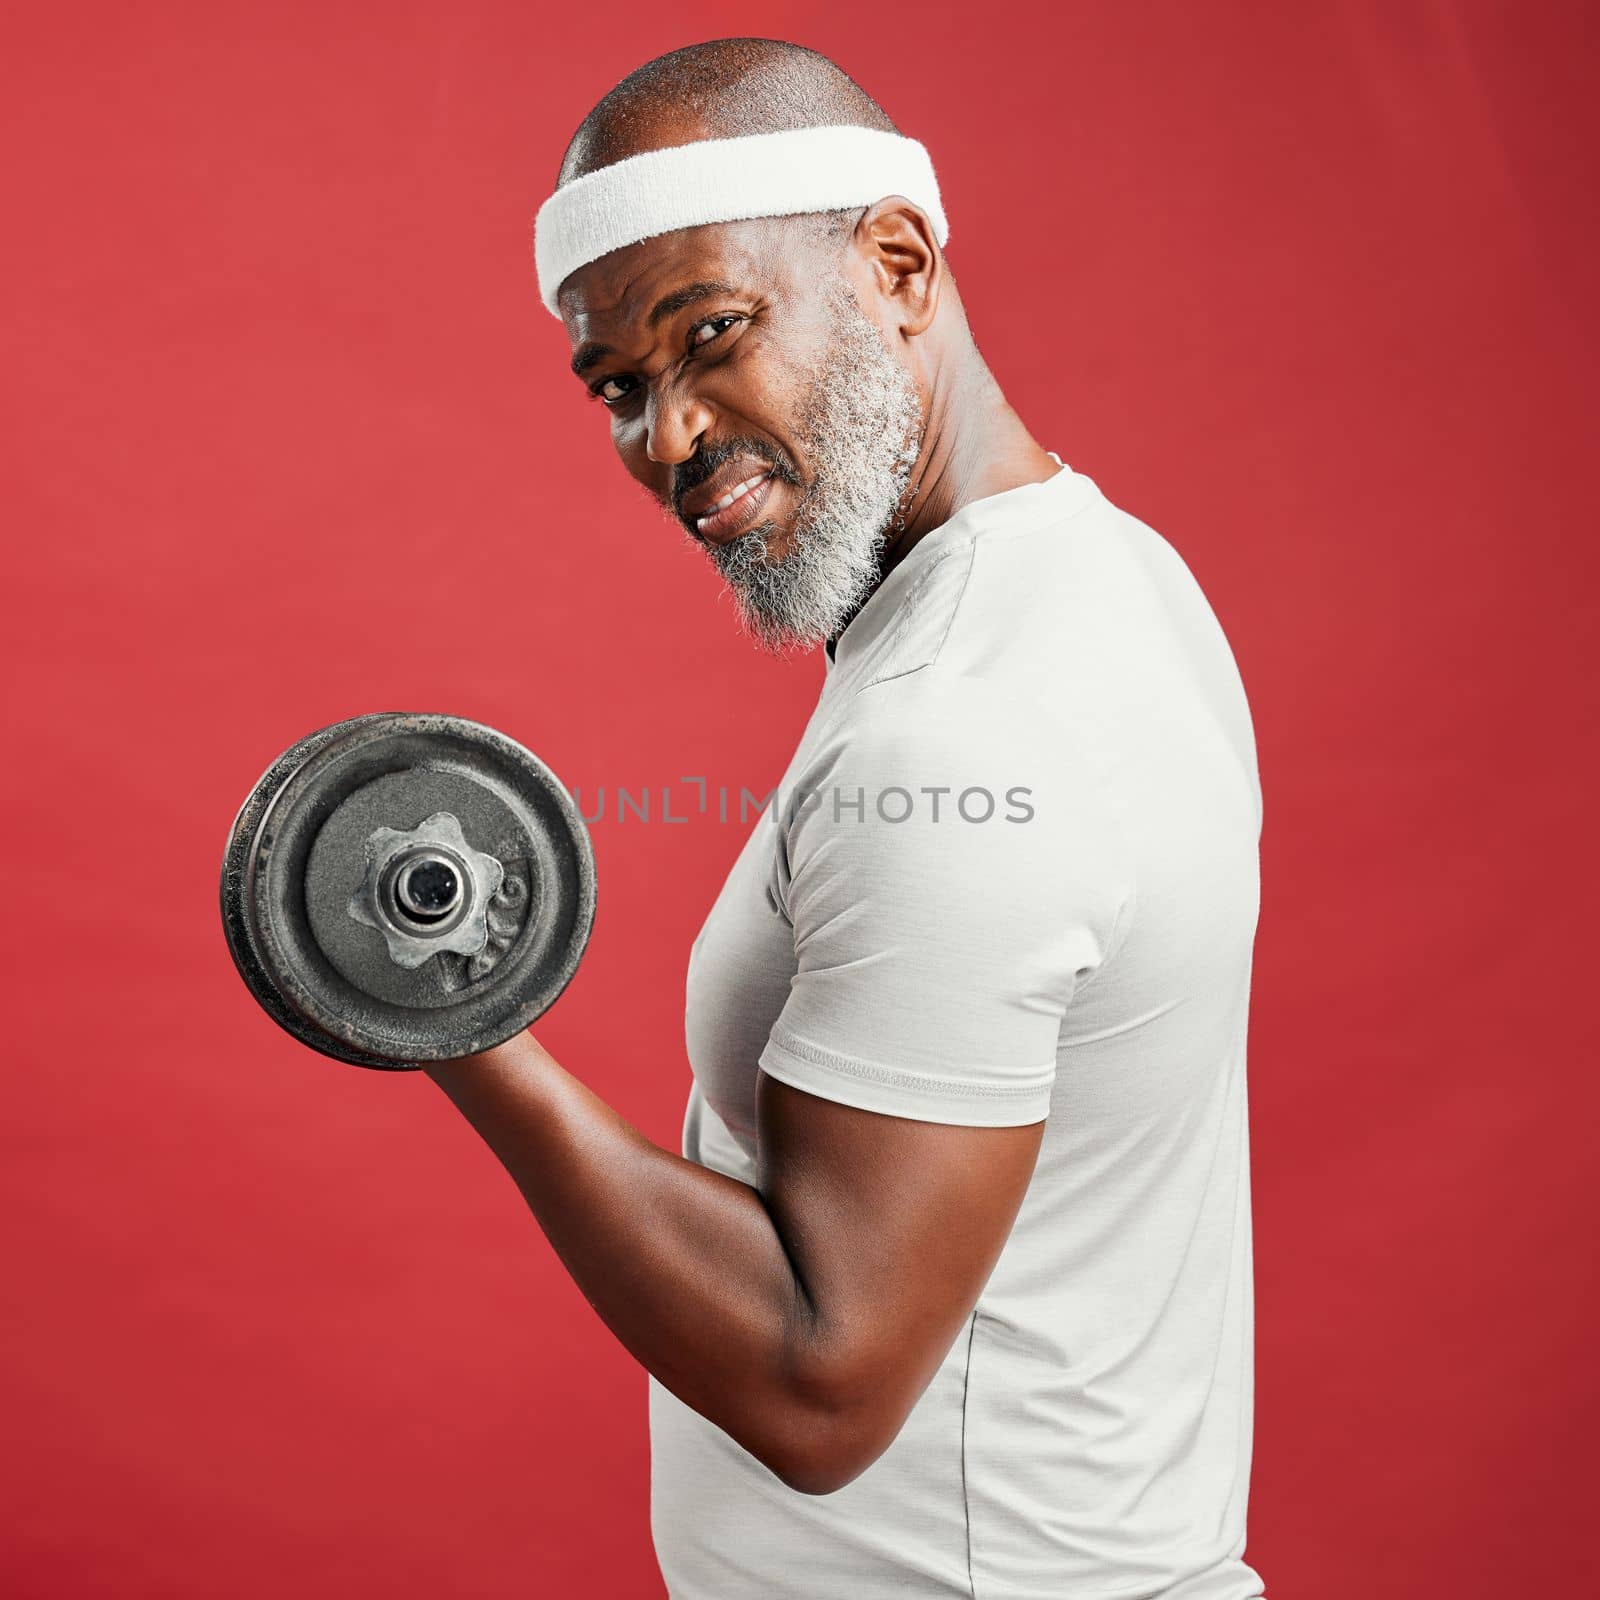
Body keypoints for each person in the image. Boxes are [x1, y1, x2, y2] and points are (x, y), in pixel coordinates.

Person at [426, 36, 1268, 1600]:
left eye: (714, 335)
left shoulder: (962, 729)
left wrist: (462, 1029)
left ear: (894, 267)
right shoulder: (1106, 574)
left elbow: (825, 1385)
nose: (669, 437)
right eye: (621, 385)